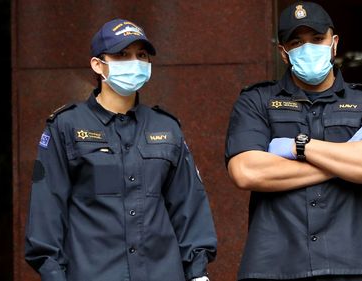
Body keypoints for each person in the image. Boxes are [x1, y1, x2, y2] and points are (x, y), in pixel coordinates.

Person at [24, 18, 217, 281]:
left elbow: (189, 204)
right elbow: (47, 211)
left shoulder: (167, 127)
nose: (134, 62)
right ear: (97, 64)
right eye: (122, 55)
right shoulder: (66, 126)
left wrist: (197, 273)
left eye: (141, 55)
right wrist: (54, 274)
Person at [225, 2, 362, 281]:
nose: (308, 48)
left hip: (353, 264)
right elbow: (246, 171)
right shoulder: (256, 101)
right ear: (283, 52)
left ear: (334, 43)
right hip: (275, 264)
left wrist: (300, 147)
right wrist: (346, 160)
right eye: (297, 41)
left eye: (317, 39)